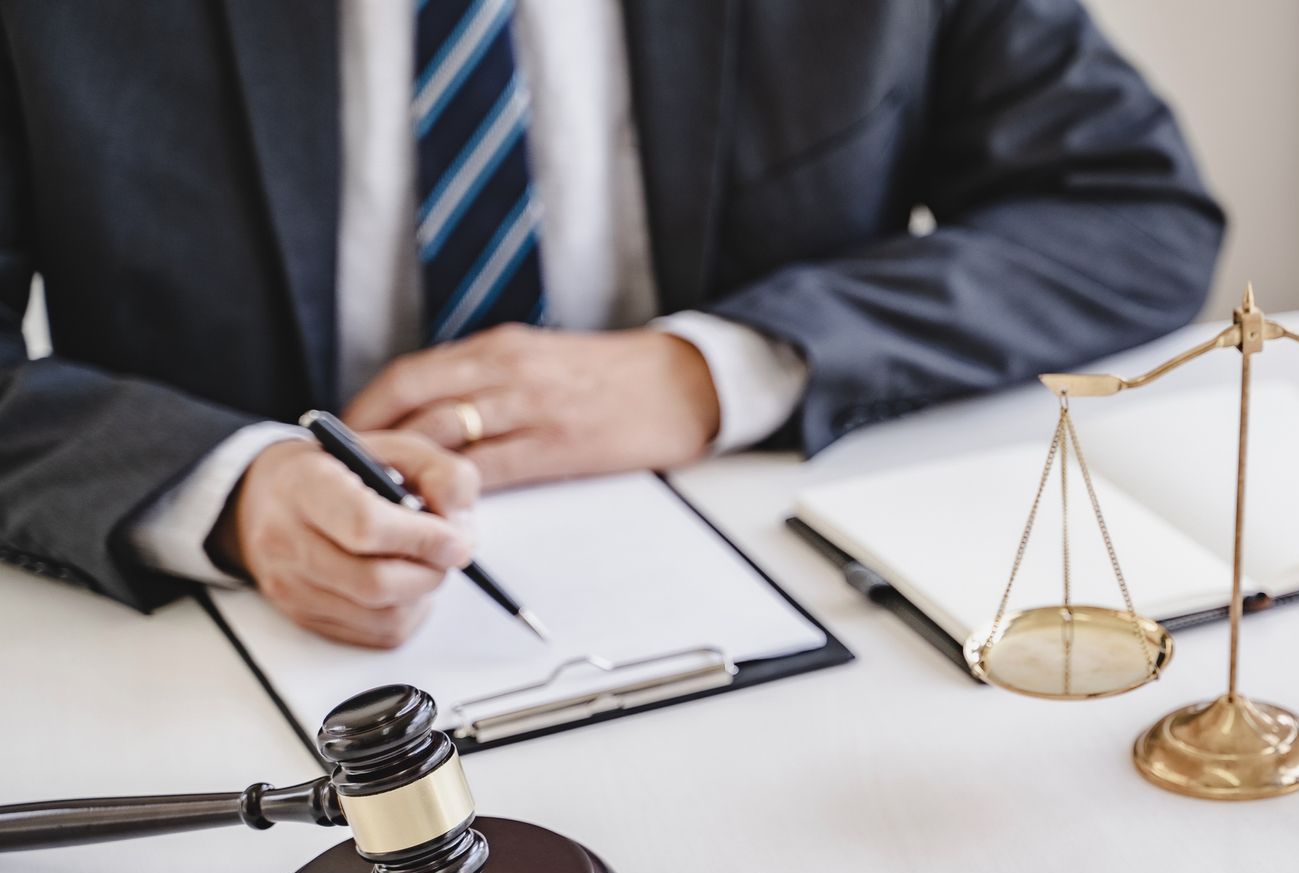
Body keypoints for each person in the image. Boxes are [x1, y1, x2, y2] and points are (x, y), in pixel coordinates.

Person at [0, 0, 1222, 647]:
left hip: (779, 629)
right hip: (237, 672)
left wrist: (713, 371)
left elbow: (1128, 205)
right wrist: (228, 488)